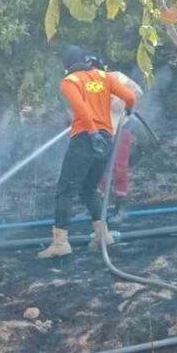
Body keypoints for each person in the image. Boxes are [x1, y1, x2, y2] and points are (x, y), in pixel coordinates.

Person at [38, 46, 139, 259]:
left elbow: (80, 108)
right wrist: (128, 109)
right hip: (106, 140)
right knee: (89, 189)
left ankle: (60, 243)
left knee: (65, 190)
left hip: (85, 138)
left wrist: (91, 134)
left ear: (67, 65)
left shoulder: (70, 82)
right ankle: (104, 236)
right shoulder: (104, 77)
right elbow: (130, 96)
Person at [102, 76, 143, 220]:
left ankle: (121, 209)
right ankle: (99, 208)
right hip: (100, 132)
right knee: (99, 169)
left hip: (121, 128)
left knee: (120, 169)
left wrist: (122, 101)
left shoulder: (116, 76)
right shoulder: (85, 83)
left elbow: (137, 91)